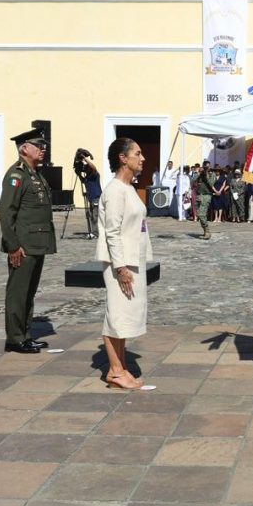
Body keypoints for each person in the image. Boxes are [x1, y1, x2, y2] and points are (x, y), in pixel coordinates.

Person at [97, 138, 154, 389]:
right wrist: (120, 268)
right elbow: (112, 232)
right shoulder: (114, 190)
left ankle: (119, 366)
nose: (142, 158)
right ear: (123, 158)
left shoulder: (129, 188)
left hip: (134, 258)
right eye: (137, 153)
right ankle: (115, 371)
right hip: (121, 262)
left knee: (126, 316)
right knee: (117, 316)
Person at [0, 128, 57, 354]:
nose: (43, 150)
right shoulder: (17, 175)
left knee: (29, 293)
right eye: (38, 146)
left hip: (36, 243)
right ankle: (14, 338)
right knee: (18, 293)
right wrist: (13, 246)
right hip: (22, 246)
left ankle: (24, 334)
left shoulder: (35, 174)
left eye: (43, 146)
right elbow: (6, 213)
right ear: (24, 149)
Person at [194, 162, 212, 238]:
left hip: (206, 196)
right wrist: (198, 173)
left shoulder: (212, 174)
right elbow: (192, 181)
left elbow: (211, 183)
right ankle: (205, 231)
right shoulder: (200, 174)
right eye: (205, 167)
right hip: (198, 196)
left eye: (207, 167)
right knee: (199, 215)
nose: (205, 168)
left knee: (202, 214)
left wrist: (206, 174)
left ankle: (207, 231)